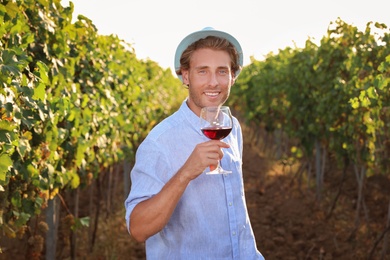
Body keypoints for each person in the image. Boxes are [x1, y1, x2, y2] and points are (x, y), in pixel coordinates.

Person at [124, 27, 265, 259]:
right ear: (186, 76)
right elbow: (138, 229)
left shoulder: (233, 127)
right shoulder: (160, 142)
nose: (213, 82)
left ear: (232, 76)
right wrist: (186, 173)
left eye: (222, 71)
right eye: (202, 71)